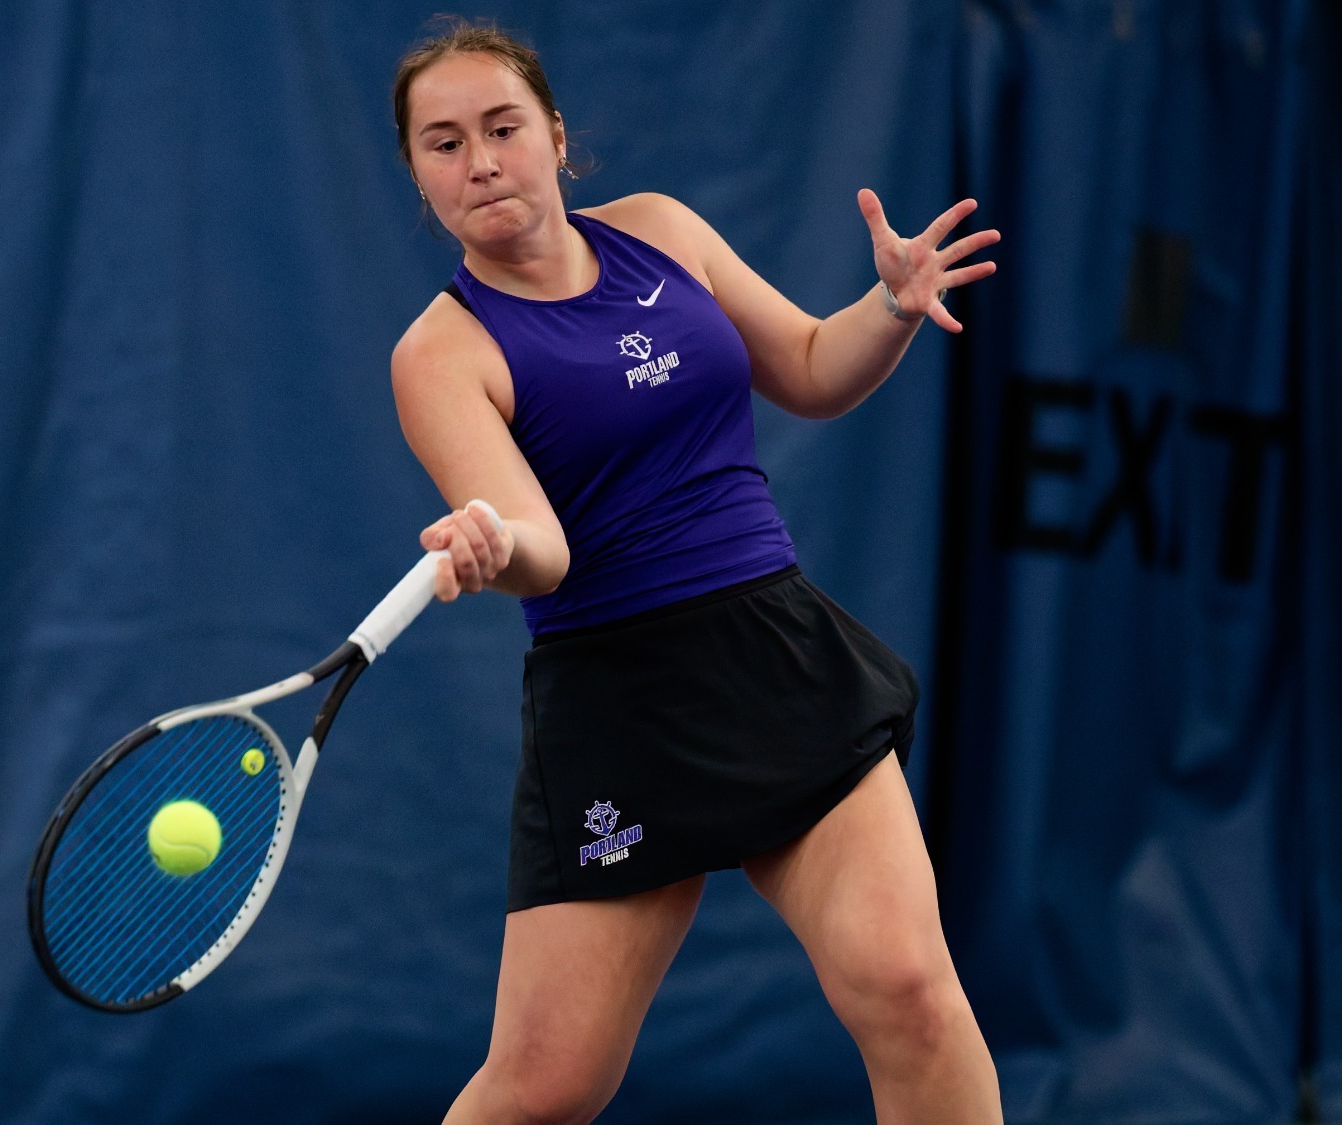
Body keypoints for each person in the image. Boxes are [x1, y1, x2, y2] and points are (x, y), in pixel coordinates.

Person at [388, 18, 1003, 1125]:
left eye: (501, 127)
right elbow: (545, 549)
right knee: (544, 1088)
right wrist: (489, 546)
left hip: (774, 657)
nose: (478, 160)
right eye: (442, 143)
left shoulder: (662, 232)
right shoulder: (440, 352)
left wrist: (890, 308)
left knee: (911, 993)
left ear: (555, 136)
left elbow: (811, 368)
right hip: (618, 704)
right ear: (417, 175)